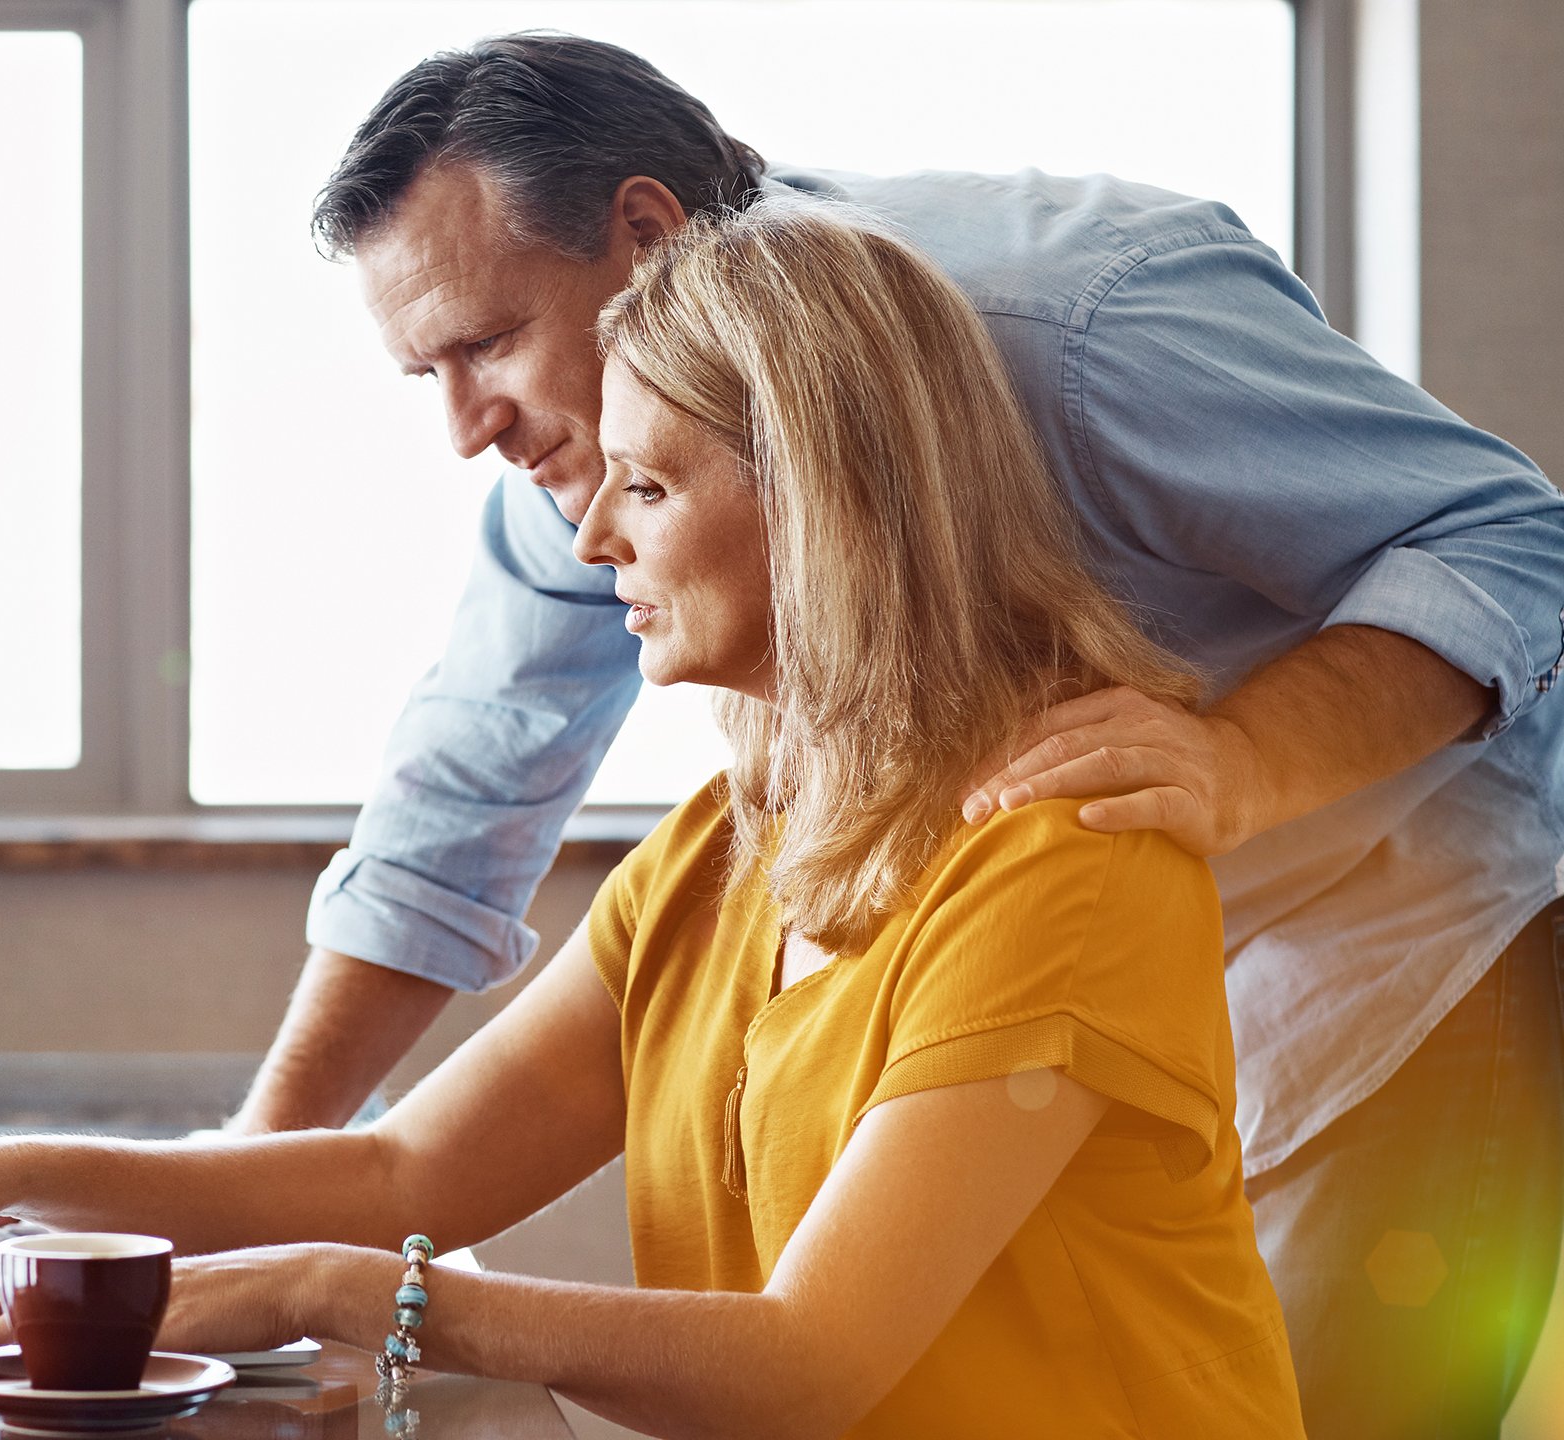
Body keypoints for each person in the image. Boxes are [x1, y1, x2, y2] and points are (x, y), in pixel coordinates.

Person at [0, 201, 1306, 1438]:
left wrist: (340, 1298)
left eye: (656, 490)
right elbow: (410, 1172)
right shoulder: (725, 851)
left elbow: (816, 1367)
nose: (597, 535)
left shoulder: (1064, 864)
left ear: (835, 508)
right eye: (603, 479)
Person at [227, 34, 1564, 1437]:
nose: (466, 427)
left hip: (1389, 932)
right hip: (1059, 951)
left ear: (642, 229)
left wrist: (1240, 761)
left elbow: (1511, 545)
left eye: (488, 342)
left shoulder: (1075, 321)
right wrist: (258, 1184)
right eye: (425, 370)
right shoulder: (597, 434)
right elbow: (471, 782)